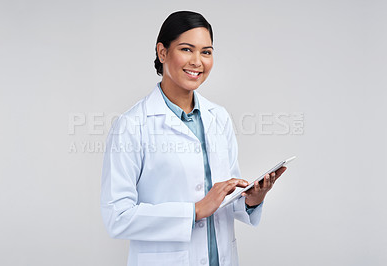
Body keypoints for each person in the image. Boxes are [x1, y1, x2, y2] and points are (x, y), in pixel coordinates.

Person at [100, 10, 287, 266]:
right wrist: (194, 211)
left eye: (206, 52)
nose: (197, 61)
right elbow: (117, 217)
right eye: (187, 49)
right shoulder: (131, 126)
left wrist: (252, 199)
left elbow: (224, 200)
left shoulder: (218, 117)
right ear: (162, 52)